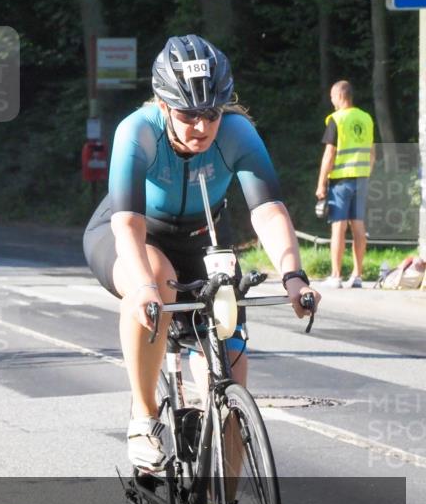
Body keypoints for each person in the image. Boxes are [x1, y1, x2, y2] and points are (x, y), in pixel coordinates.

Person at [84, 34, 320, 470]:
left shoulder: (236, 132)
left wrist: (293, 275)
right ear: (162, 104)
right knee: (155, 279)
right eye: (187, 114)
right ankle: (144, 416)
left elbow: (268, 212)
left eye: (211, 113)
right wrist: (140, 288)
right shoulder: (137, 131)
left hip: (203, 236)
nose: (201, 126)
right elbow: (128, 225)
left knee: (229, 371)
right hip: (133, 234)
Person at [315, 80, 375, 288]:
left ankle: (336, 275)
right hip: (361, 178)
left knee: (338, 227)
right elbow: (372, 151)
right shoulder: (366, 118)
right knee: (358, 225)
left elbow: (329, 153)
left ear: (340, 96)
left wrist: (321, 183)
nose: (332, 101)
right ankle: (357, 275)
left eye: (332, 97)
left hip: (341, 180)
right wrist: (366, 173)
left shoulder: (336, 119)